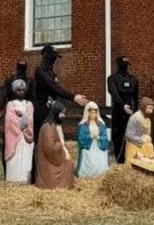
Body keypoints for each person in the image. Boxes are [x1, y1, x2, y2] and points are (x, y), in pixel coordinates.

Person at [31, 45, 88, 184]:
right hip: (42, 109)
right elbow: (53, 86)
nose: (55, 60)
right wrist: (73, 97)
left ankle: (52, 174)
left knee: (54, 137)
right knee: (40, 140)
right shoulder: (40, 72)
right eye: (53, 57)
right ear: (47, 56)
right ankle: (36, 175)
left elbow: (55, 91)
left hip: (52, 109)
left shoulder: (51, 71)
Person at [0, 60, 31, 178]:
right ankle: (9, 170)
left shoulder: (29, 81)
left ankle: (24, 170)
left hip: (24, 111)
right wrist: (0, 106)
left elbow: (32, 97)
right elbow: (4, 94)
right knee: (9, 140)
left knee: (23, 142)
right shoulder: (12, 80)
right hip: (13, 112)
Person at [35, 100, 75, 190]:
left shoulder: (54, 125)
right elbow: (49, 149)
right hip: (49, 162)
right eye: (62, 113)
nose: (63, 116)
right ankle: (61, 186)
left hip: (54, 156)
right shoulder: (48, 128)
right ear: (56, 113)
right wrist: (61, 145)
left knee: (70, 161)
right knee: (68, 164)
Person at [106, 55, 139, 164]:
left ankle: (130, 159)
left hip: (131, 112)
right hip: (119, 111)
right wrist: (122, 105)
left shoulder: (133, 79)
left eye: (126, 65)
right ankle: (119, 161)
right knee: (118, 136)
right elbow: (114, 93)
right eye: (123, 65)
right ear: (118, 65)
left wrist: (136, 112)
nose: (125, 67)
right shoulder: (112, 79)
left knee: (131, 136)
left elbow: (136, 97)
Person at [3, 79, 35, 184]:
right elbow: (9, 120)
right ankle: (14, 178)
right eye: (19, 90)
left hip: (26, 135)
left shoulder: (29, 104)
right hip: (15, 136)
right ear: (14, 91)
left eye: (23, 90)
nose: (21, 92)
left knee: (26, 157)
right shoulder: (11, 104)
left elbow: (31, 119)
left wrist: (22, 115)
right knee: (15, 158)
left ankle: (26, 178)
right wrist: (20, 121)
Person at [76, 102, 110, 179]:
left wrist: (98, 137)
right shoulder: (82, 125)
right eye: (91, 113)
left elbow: (105, 137)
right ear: (87, 113)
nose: (93, 115)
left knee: (100, 160)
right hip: (88, 147)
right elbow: (81, 138)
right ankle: (87, 175)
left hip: (99, 146)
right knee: (88, 158)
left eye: (95, 113)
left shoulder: (101, 124)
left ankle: (100, 174)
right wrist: (91, 136)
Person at [124, 97, 154, 164]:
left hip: (144, 144)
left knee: (150, 146)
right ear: (144, 107)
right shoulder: (134, 118)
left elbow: (147, 134)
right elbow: (129, 134)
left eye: (152, 109)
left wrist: (147, 139)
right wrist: (141, 140)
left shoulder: (147, 120)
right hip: (133, 144)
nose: (151, 111)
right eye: (149, 108)